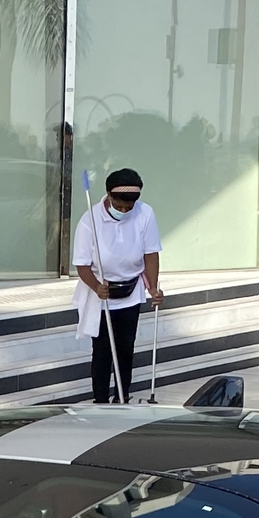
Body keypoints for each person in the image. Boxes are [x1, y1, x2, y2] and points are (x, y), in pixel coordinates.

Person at [72, 167, 162, 403]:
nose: (124, 210)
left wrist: (153, 287)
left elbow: (151, 254)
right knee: (102, 351)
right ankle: (100, 400)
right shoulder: (88, 221)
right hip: (100, 292)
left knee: (125, 348)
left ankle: (122, 396)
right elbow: (82, 265)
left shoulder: (145, 214)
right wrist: (96, 286)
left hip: (131, 290)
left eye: (129, 207)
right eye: (120, 206)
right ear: (109, 197)